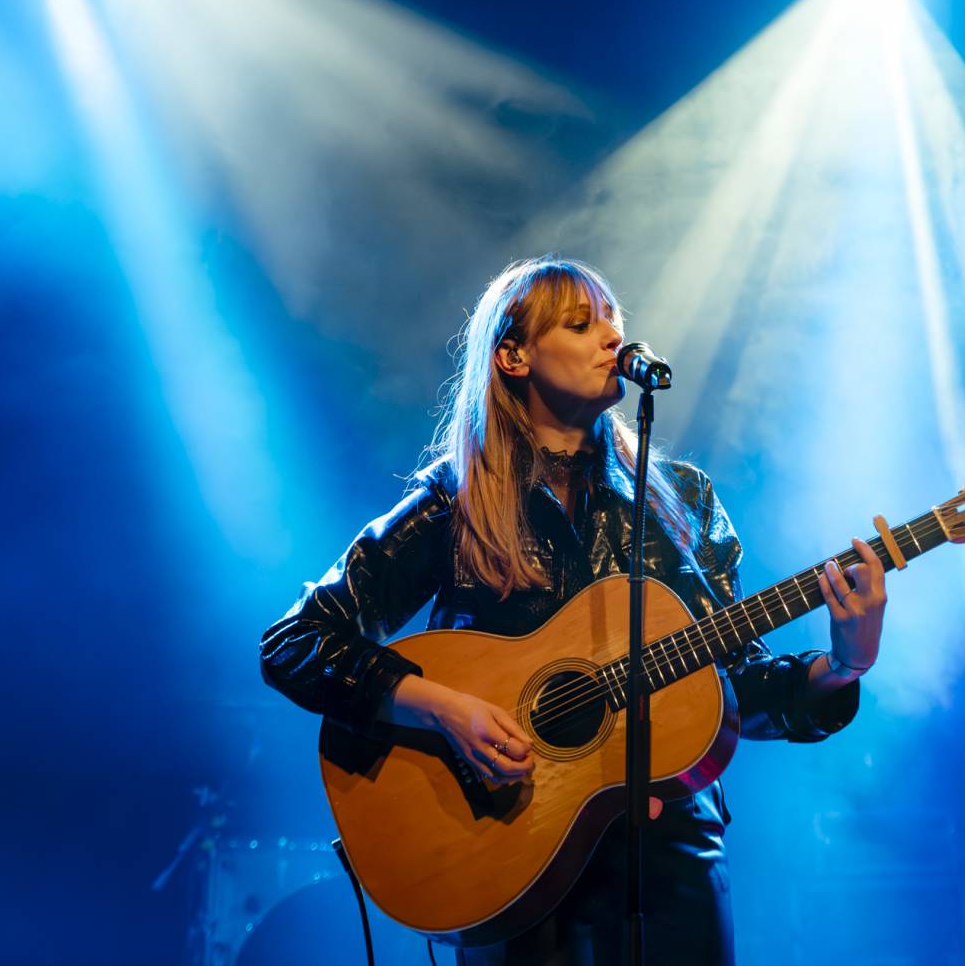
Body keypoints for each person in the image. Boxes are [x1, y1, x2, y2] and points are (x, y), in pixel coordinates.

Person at [260, 256, 887, 965]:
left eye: (615, 320)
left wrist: (842, 664)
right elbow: (296, 643)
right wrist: (442, 710)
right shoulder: (455, 502)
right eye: (582, 323)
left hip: (671, 862)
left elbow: (734, 691)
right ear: (513, 355)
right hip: (508, 850)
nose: (611, 338)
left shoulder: (683, 501)